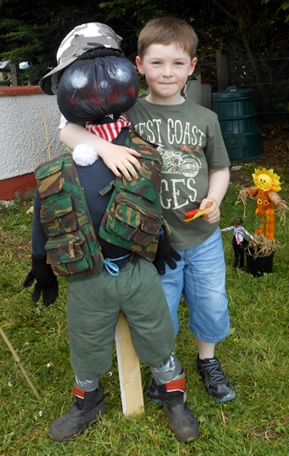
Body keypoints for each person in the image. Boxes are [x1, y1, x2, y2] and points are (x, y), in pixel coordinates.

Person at [23, 22, 199, 444]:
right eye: (85, 73)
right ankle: (88, 399)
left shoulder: (138, 144)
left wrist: (162, 243)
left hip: (136, 267)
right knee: (86, 341)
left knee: (157, 334)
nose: (99, 83)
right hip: (87, 274)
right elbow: (45, 209)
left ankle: (171, 394)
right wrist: (39, 260)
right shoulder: (64, 159)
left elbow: (150, 197)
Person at [60, 17, 236, 404]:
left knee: (211, 301)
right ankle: (164, 366)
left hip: (202, 238)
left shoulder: (206, 118)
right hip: (153, 243)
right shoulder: (127, 115)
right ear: (138, 66)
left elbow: (220, 168)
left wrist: (215, 200)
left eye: (177, 63)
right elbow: (68, 131)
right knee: (160, 313)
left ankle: (208, 361)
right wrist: (105, 148)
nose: (167, 72)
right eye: (156, 63)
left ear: (192, 67)